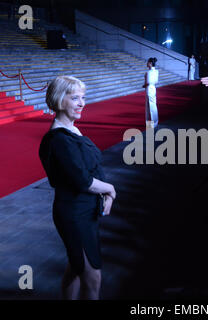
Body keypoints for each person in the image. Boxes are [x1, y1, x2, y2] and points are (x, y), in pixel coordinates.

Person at [39, 76, 116, 300]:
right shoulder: (59, 140)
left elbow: (93, 170)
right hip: (74, 214)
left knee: (75, 267)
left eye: (83, 97)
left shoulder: (72, 130)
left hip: (84, 210)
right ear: (59, 99)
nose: (82, 103)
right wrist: (110, 189)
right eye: (75, 98)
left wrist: (106, 196)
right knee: (92, 278)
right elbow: (83, 180)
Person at [143, 57, 159, 128]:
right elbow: (156, 81)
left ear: (150, 63)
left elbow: (148, 82)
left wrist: (144, 85)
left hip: (149, 89)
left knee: (149, 107)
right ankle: (154, 122)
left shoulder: (148, 72)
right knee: (153, 105)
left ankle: (151, 123)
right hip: (153, 88)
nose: (147, 63)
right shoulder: (156, 71)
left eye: (148, 62)